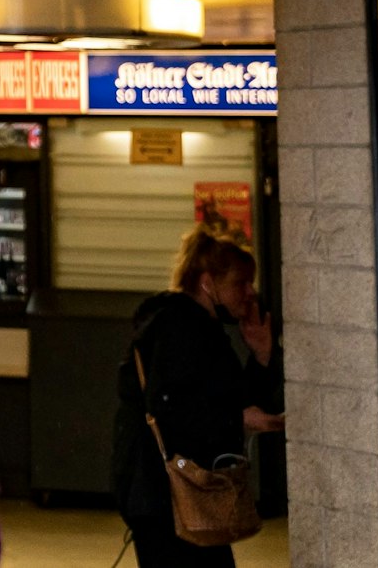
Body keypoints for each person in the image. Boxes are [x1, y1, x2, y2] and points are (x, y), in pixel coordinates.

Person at [113, 230, 285, 567]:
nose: (250, 292)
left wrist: (262, 354)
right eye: (240, 283)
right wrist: (238, 419)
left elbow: (238, 399)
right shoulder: (178, 327)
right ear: (208, 283)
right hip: (164, 495)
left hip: (184, 493)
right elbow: (172, 407)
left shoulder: (202, 329)